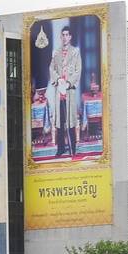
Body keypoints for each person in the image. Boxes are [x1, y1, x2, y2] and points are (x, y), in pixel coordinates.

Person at [46, 24, 82, 158]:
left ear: (70, 37)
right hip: (59, 91)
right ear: (61, 37)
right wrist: (58, 80)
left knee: (71, 120)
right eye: (63, 35)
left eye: (67, 35)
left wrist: (68, 83)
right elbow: (52, 69)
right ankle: (61, 148)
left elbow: (78, 70)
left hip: (69, 91)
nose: (65, 37)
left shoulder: (75, 52)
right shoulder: (56, 52)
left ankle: (73, 147)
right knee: (60, 122)